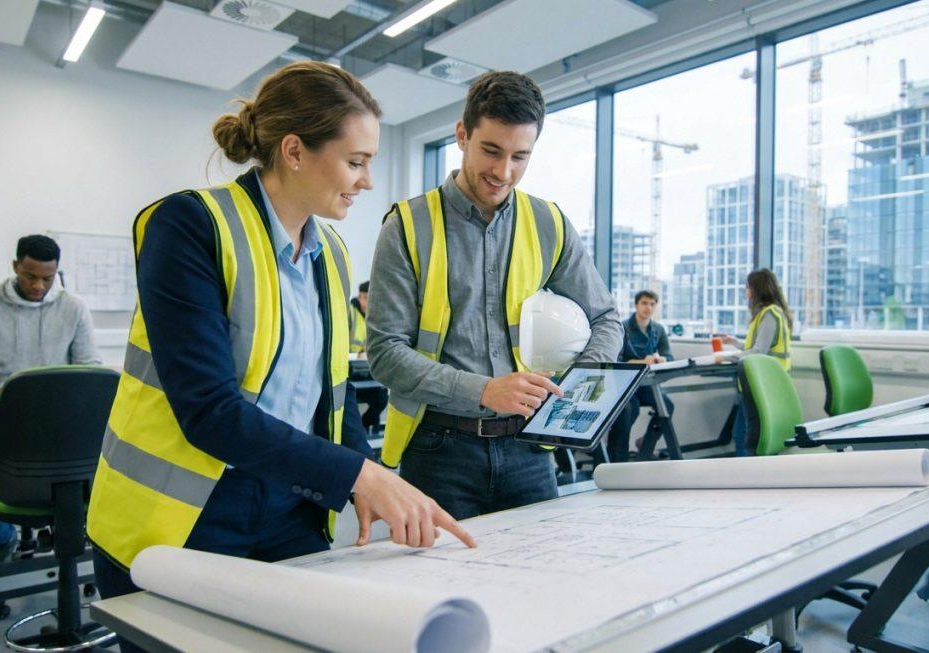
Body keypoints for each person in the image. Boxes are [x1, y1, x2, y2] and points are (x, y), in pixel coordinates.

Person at [85, 63, 475, 649]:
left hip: (291, 505)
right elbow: (209, 410)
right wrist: (359, 476)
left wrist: (370, 479)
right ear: (294, 151)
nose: (367, 181)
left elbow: (330, 399)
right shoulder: (190, 224)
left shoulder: (331, 254)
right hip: (181, 516)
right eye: (356, 161)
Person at [368, 71, 622, 520]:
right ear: (463, 135)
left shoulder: (550, 223)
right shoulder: (406, 226)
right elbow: (386, 353)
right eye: (491, 151)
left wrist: (572, 388)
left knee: (534, 586)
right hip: (438, 450)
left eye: (520, 156)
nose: (504, 172)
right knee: (438, 588)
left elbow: (605, 319)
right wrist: (484, 390)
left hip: (530, 449)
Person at [0, 235, 100, 564]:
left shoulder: (73, 308)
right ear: (16, 266)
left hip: (56, 421)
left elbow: (89, 367)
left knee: (90, 469)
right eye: (30, 276)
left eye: (48, 277)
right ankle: (1, 539)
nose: (38, 285)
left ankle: (72, 534)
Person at [720, 268, 793, 457]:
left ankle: (744, 480)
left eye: (747, 287)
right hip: (768, 382)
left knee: (744, 436)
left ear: (756, 289)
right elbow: (757, 346)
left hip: (761, 384)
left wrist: (725, 358)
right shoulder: (772, 313)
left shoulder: (769, 314)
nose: (746, 291)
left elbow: (759, 352)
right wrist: (735, 342)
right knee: (744, 434)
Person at [605, 289, 675, 463]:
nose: (648, 308)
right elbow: (617, 362)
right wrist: (642, 361)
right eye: (644, 303)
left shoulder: (658, 329)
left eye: (652, 304)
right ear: (636, 305)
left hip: (645, 384)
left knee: (666, 405)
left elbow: (670, 356)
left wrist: (661, 359)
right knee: (630, 409)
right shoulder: (622, 327)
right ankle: (617, 459)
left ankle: (645, 447)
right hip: (624, 385)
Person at [349, 280, 387, 431]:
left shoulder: (375, 318)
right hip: (348, 373)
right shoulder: (349, 312)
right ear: (361, 297)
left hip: (366, 372)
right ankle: (359, 433)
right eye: (367, 298)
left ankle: (367, 428)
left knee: (381, 397)